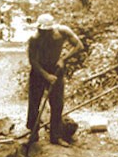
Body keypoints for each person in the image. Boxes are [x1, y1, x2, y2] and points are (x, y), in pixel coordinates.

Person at [26, 13, 85, 146]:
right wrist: (46, 75)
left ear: (52, 28)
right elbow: (33, 61)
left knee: (57, 104)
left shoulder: (63, 32)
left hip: (56, 69)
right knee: (34, 102)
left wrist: (63, 59)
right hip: (38, 72)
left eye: (47, 31)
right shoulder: (34, 38)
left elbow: (79, 46)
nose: (44, 33)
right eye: (42, 31)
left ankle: (55, 136)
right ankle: (33, 132)